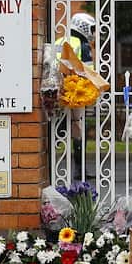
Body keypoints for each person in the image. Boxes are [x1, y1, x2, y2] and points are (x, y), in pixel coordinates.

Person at [55, 12, 96, 179]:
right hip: (75, 91)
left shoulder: (60, 40)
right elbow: (88, 71)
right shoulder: (82, 43)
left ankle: (52, 165)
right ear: (83, 26)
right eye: (92, 28)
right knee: (78, 129)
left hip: (57, 91)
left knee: (56, 129)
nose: (93, 33)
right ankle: (80, 170)